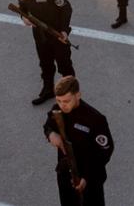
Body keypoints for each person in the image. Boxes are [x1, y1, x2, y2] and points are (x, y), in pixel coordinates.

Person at [43, 76, 113, 206]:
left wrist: (87, 177)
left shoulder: (95, 119)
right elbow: (48, 125)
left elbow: (104, 152)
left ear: (78, 95)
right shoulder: (57, 110)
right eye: (59, 100)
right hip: (65, 173)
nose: (62, 105)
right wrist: (51, 134)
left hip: (90, 177)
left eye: (66, 101)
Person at [8, 0, 75, 105]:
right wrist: (24, 17)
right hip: (40, 35)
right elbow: (22, 9)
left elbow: (67, 9)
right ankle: (48, 90)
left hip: (57, 34)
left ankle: (70, 93)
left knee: (64, 64)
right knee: (45, 64)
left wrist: (64, 30)